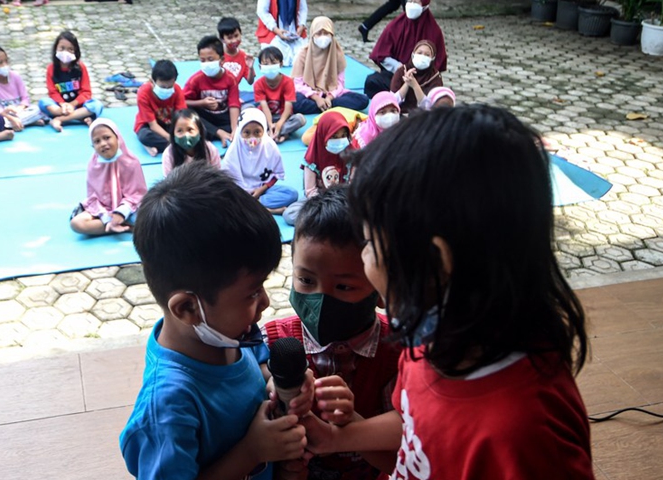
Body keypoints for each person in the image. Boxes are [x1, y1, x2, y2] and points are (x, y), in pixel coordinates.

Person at [301, 105, 594, 479]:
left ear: (435, 263)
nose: (363, 258)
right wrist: (337, 438)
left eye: (371, 243)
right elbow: (415, 422)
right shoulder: (433, 339)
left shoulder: (523, 436)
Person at [120, 163, 310, 479]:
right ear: (187, 309)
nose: (264, 301)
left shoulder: (231, 332)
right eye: (251, 294)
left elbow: (259, 367)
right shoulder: (166, 410)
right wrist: (252, 451)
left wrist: (277, 384)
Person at [263, 186, 402, 480]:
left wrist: (350, 426)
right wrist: (274, 385)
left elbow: (398, 461)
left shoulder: (397, 354)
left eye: (343, 286)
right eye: (305, 279)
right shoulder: (271, 343)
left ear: (380, 289)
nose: (319, 299)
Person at [70, 118, 147, 236]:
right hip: (102, 210)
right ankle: (115, 226)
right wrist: (107, 218)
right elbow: (93, 197)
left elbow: (137, 195)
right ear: (93, 146)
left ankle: (120, 224)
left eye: (107, 138)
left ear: (117, 137)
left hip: (130, 210)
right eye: (97, 141)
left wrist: (121, 213)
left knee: (151, 219)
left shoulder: (131, 162)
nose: (103, 144)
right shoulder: (93, 165)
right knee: (77, 224)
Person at [221, 108, 298, 214]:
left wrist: (261, 189)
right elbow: (227, 181)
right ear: (240, 132)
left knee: (291, 194)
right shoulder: (233, 151)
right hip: (239, 192)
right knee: (222, 198)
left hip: (262, 190)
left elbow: (275, 174)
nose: (252, 138)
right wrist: (243, 193)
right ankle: (267, 210)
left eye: (257, 132)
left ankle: (251, 205)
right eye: (247, 133)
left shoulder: (270, 147)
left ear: (264, 131)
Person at [365, 0, 446, 99]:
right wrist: (400, 68)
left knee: (433, 94)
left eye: (416, 2)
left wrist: (419, 73)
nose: (411, 5)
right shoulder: (396, 25)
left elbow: (437, 62)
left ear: (424, 5)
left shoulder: (434, 30)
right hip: (396, 76)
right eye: (410, 1)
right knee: (373, 81)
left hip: (423, 81)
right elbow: (381, 54)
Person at [283, 111, 352, 226]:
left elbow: (353, 185)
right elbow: (310, 191)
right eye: (334, 136)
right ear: (323, 135)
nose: (339, 140)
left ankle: (326, 220)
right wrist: (327, 205)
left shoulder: (351, 155)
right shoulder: (313, 157)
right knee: (290, 214)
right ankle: (331, 218)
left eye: (343, 135)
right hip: (319, 201)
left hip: (343, 200)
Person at [292, 16, 369, 115]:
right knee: (295, 102)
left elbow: (340, 83)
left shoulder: (337, 53)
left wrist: (329, 97)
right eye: (319, 33)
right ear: (312, 35)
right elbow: (297, 84)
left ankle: (326, 104)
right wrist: (316, 98)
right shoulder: (304, 53)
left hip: (332, 93)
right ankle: (329, 106)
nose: (323, 37)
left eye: (326, 33)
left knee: (363, 100)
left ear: (332, 34)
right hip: (309, 93)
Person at [39, 30, 103, 132]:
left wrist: (72, 104)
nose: (65, 52)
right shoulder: (51, 69)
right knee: (43, 102)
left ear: (75, 52)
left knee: (97, 105)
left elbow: (86, 92)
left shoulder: (80, 68)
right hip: (60, 107)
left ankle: (60, 119)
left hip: (78, 106)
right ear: (56, 48)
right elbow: (52, 92)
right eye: (62, 48)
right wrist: (63, 105)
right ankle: (79, 117)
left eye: (70, 49)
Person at [184, 35, 240, 148]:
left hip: (224, 118)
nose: (206, 63)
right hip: (204, 119)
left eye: (210, 59)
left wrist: (235, 132)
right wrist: (202, 103)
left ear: (222, 60)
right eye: (202, 60)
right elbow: (182, 101)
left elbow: (234, 105)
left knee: (248, 113)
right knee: (185, 114)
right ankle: (219, 133)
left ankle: (222, 133)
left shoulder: (230, 79)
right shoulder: (196, 79)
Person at [0, 45, 44, 131]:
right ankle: (25, 122)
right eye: (0, 63)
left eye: (6, 61)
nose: (5, 65)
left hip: (18, 111)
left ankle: (15, 124)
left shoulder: (15, 76)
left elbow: (25, 98)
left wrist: (20, 108)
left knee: (37, 110)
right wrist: (10, 117)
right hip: (1, 113)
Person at [134, 59, 187, 157]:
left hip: (170, 124)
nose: (166, 89)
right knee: (145, 136)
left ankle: (164, 147)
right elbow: (153, 125)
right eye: (162, 87)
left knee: (195, 130)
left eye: (170, 86)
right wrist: (171, 138)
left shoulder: (177, 90)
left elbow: (181, 117)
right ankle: (173, 146)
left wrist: (180, 133)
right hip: (148, 125)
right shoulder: (143, 94)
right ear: (152, 82)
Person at [255, 46, 306, 143]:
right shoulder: (258, 84)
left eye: (273, 63)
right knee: (248, 112)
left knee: (300, 119)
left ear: (281, 64)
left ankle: (270, 133)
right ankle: (280, 133)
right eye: (266, 64)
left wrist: (279, 123)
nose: (270, 66)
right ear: (260, 66)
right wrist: (270, 123)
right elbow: (264, 106)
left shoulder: (288, 82)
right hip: (265, 117)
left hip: (284, 117)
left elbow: (288, 105)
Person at [161, 109, 221, 176]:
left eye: (190, 130)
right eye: (180, 131)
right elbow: (169, 182)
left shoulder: (210, 149)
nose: (186, 135)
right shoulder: (169, 154)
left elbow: (217, 176)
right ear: (173, 134)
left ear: (200, 132)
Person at [390, 40, 443, 114]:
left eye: (427, 55)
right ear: (413, 54)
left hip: (422, 117)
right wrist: (407, 83)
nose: (422, 56)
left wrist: (415, 85)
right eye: (419, 53)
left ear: (433, 58)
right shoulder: (402, 70)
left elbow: (429, 107)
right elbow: (392, 101)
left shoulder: (435, 77)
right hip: (400, 113)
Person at [256, 0, 308, 67]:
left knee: (302, 56)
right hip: (273, 30)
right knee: (275, 57)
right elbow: (262, 11)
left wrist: (301, 25)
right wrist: (276, 30)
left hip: (294, 30)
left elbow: (302, 9)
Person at [218, 17, 256, 101]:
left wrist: (250, 68)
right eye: (230, 38)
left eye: (236, 36)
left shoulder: (243, 56)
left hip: (233, 95)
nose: (234, 40)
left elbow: (250, 82)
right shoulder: (217, 55)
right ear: (222, 39)